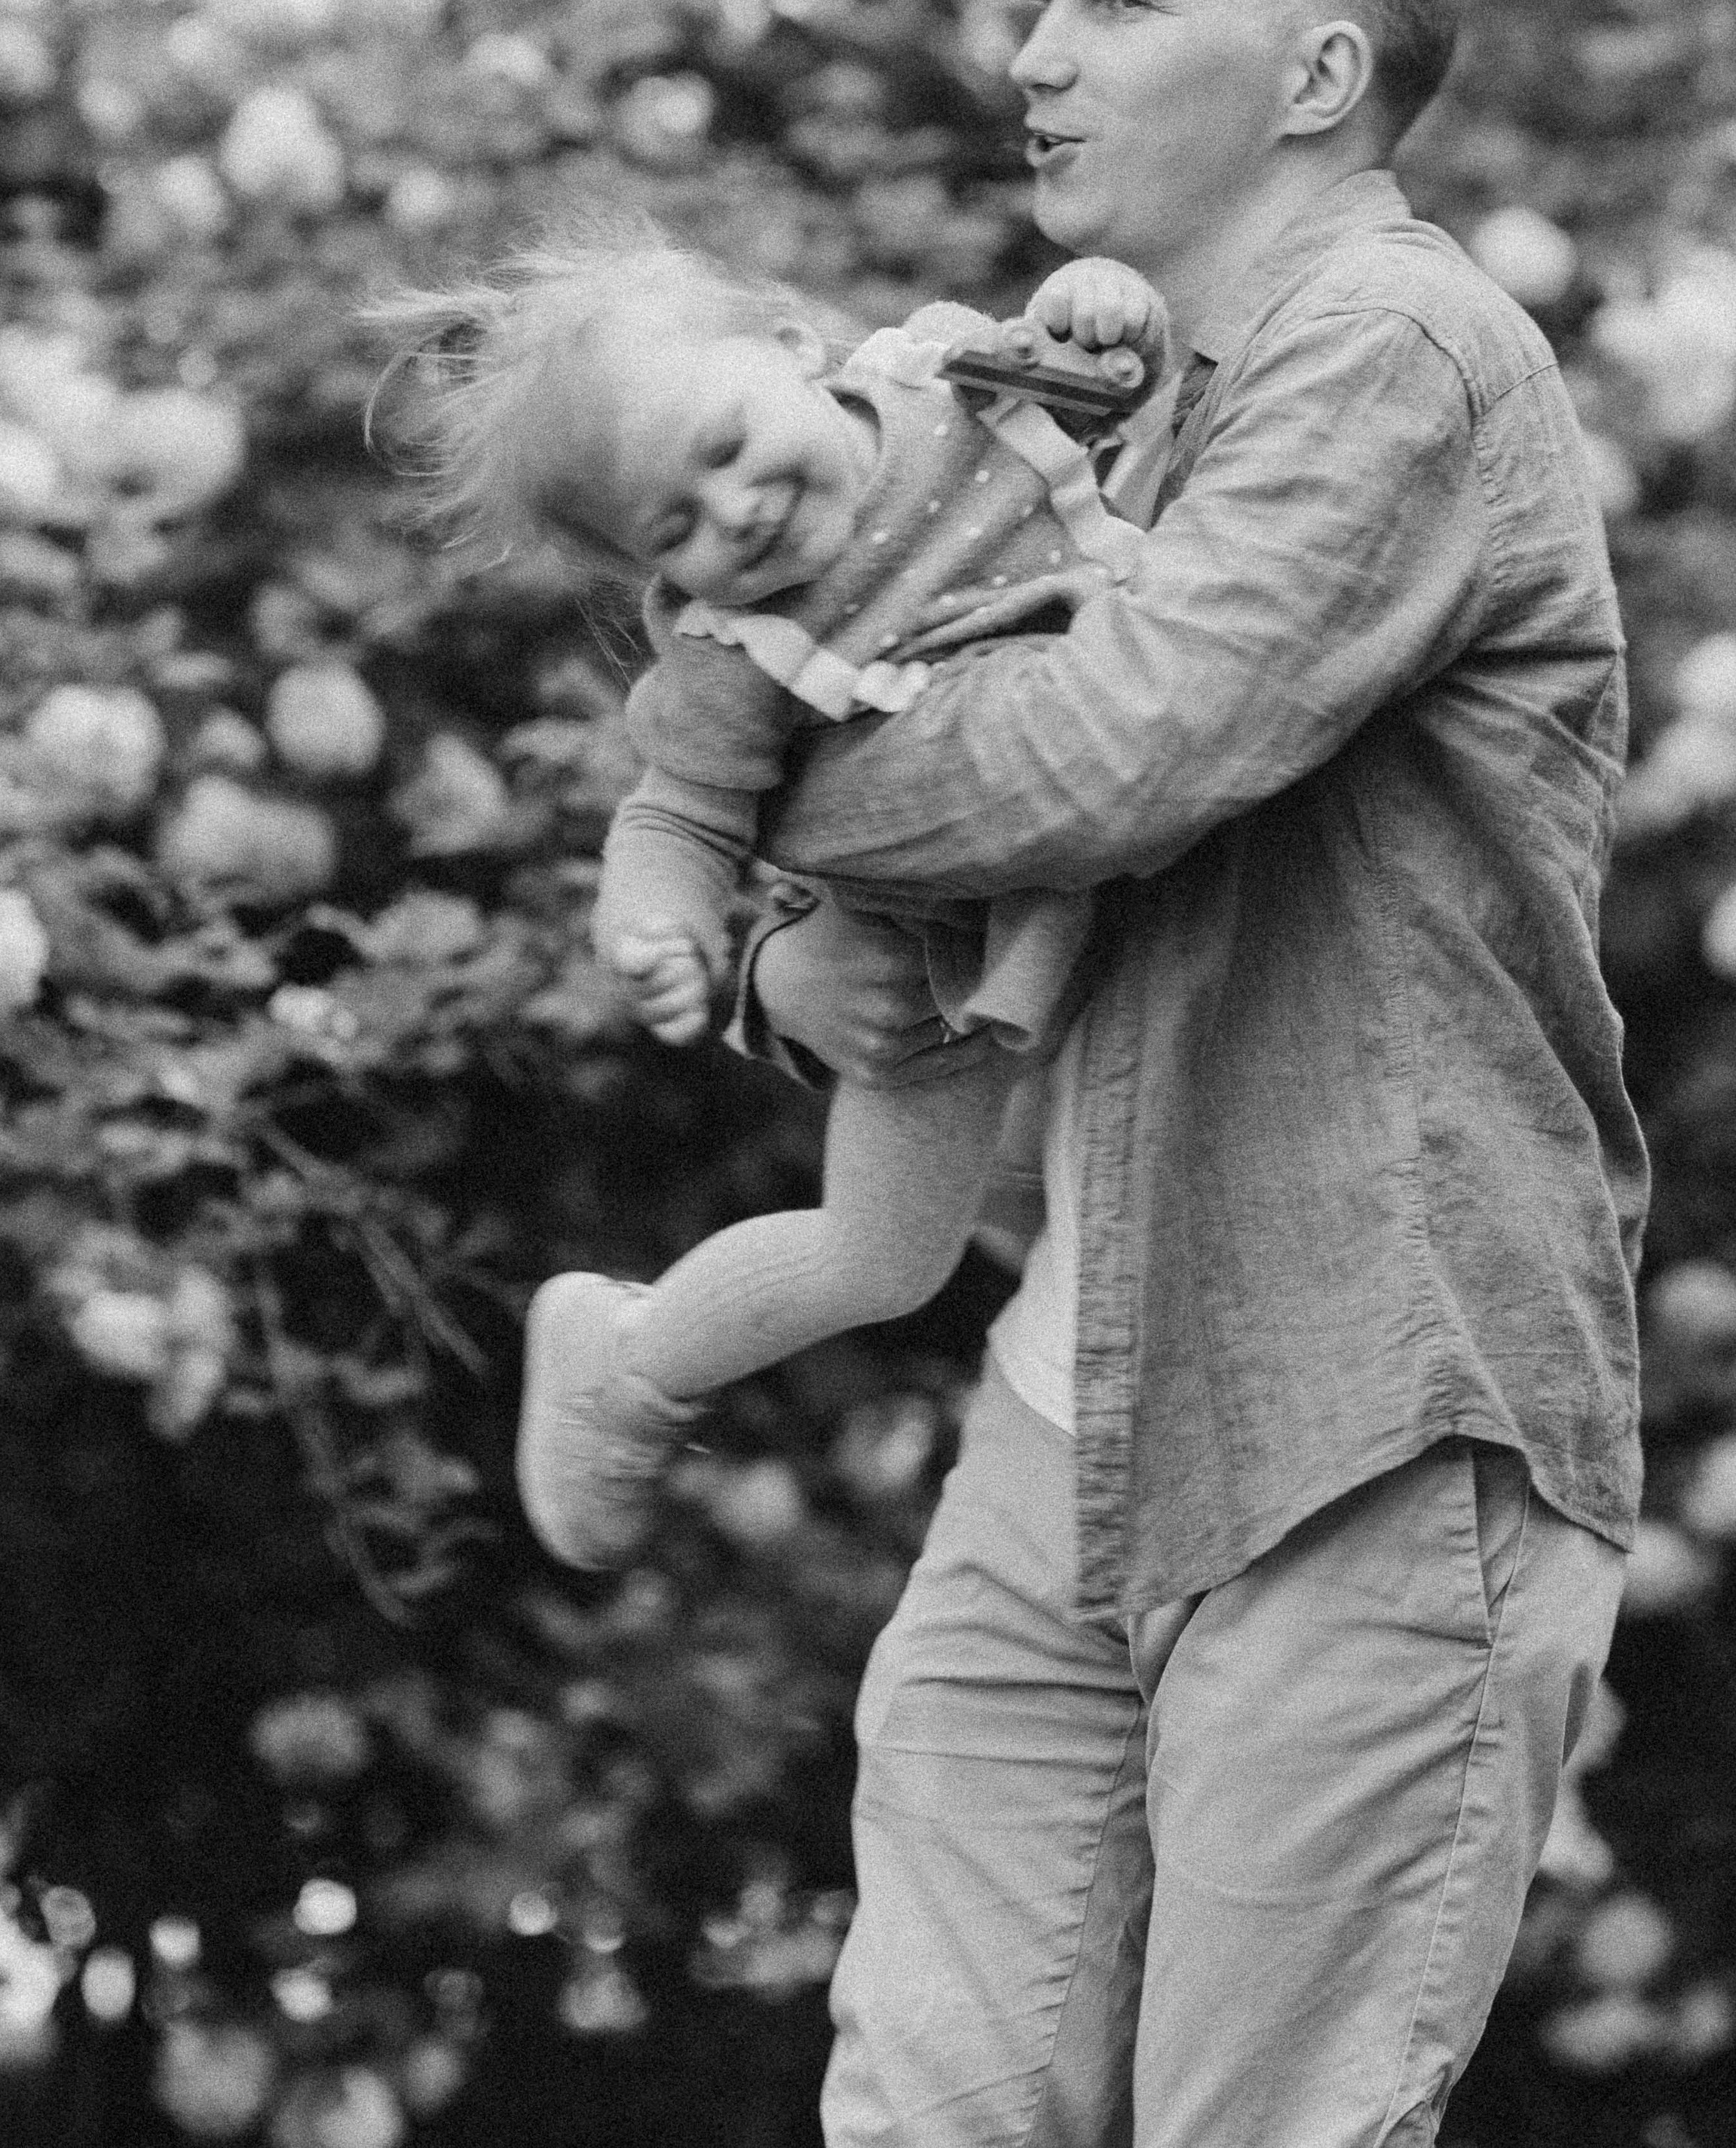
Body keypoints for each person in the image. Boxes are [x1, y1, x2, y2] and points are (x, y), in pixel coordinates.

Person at [728, 0, 1648, 2148]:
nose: (1032, 51)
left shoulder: (1399, 352)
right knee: (924, 2104)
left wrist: (731, 788)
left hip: (1370, 1389)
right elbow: (910, 716)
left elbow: (1109, 758)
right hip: (1090, 1384)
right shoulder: (1099, 410)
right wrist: (782, 936)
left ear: (1320, 79)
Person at [372, 223, 1171, 1571]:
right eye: (674, 527)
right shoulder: (737, 651)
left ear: (794, 346)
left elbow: (1127, 380)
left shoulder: (956, 383)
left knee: (1105, 1195)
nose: (733, 513)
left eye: (729, 447)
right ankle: (629, 1357)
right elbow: (674, 814)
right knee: (883, 1260)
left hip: (1114, 853)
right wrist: (662, 921)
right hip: (929, 966)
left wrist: (1108, 301)